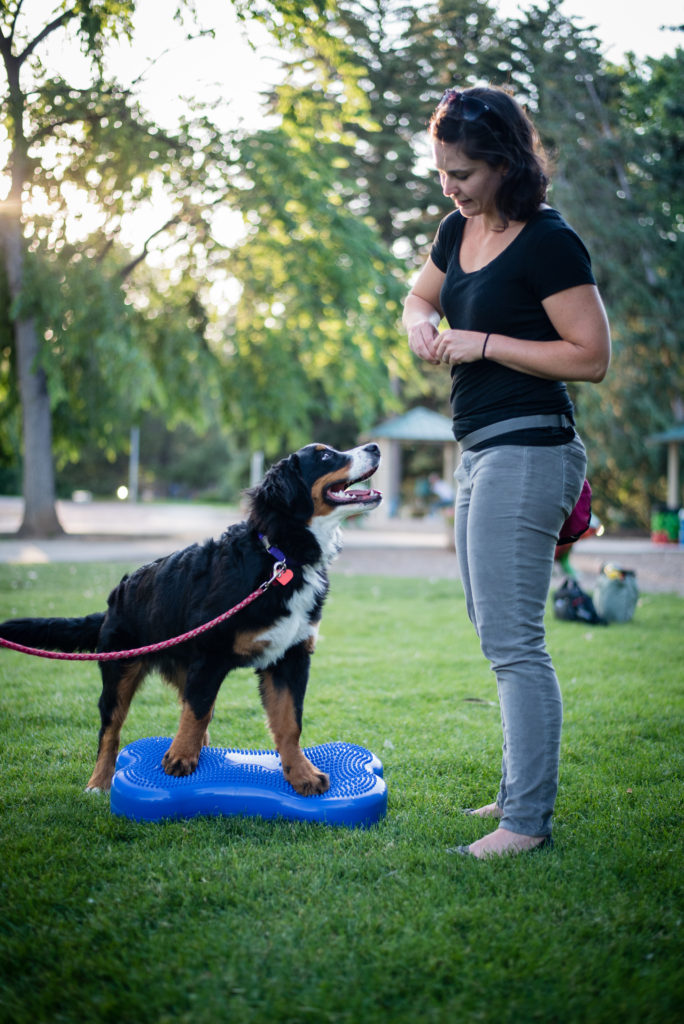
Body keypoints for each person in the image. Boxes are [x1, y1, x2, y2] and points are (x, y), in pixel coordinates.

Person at [402, 85, 610, 859]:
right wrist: (424, 322)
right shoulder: (456, 229)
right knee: (492, 627)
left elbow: (591, 356)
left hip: (533, 447)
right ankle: (518, 786)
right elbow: (418, 297)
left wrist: (483, 341)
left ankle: (524, 822)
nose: (448, 186)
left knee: (515, 642)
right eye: (441, 170)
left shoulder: (549, 240)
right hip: (481, 447)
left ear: (503, 162)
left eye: (462, 172)